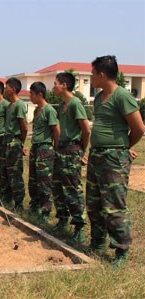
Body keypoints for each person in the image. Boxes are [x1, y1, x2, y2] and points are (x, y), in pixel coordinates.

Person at [86, 55, 145, 266]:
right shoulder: (100, 97)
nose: (91, 78)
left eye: (92, 74)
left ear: (102, 75)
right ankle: (97, 243)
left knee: (114, 206)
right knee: (94, 203)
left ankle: (121, 250)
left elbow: (138, 128)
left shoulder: (122, 96)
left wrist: (122, 149)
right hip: (97, 156)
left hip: (113, 158)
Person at [52, 72, 90, 245]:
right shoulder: (62, 106)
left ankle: (79, 228)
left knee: (73, 189)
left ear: (64, 85)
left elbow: (86, 130)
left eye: (55, 83)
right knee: (58, 187)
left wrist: (83, 151)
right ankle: (62, 219)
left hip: (72, 149)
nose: (53, 87)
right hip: (61, 150)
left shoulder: (75, 104)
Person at [28, 82, 60, 221]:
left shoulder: (49, 110)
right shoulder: (37, 110)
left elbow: (56, 131)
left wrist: (56, 149)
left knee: (45, 182)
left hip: (45, 148)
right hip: (35, 147)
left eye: (31, 93)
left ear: (39, 94)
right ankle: (34, 206)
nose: (30, 96)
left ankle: (45, 211)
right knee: (33, 180)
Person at [3, 77, 27, 210]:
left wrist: (20, 142)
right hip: (7, 141)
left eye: (7, 87)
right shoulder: (10, 105)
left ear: (13, 89)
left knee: (16, 173)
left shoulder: (19, 105)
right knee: (8, 172)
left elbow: (24, 127)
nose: (5, 90)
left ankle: (19, 203)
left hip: (14, 141)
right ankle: (9, 198)